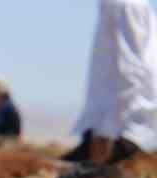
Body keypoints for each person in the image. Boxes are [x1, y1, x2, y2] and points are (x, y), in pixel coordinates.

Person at [67, 0, 157, 163]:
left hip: (126, 134)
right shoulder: (114, 5)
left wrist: (111, 131)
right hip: (115, 129)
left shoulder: (126, 5)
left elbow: (133, 69)